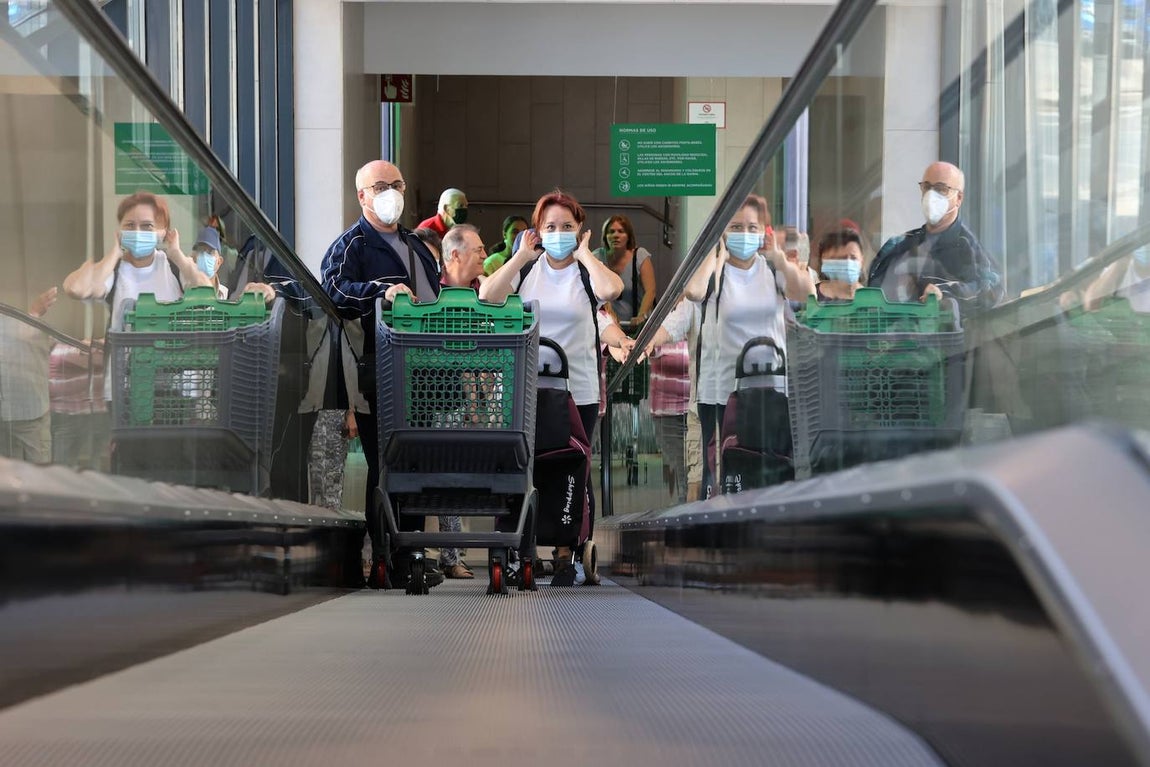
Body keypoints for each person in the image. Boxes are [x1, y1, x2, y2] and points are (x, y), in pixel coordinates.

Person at [480, 190, 632, 584]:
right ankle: (522, 548)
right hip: (526, 391)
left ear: (580, 230)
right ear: (537, 231)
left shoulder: (585, 274)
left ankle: (568, 552)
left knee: (572, 468)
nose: (559, 232)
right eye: (550, 226)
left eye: (567, 226)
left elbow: (612, 291)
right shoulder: (528, 271)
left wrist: (585, 254)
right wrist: (520, 256)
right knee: (524, 469)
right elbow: (488, 295)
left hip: (578, 391)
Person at [320, 159, 442, 589]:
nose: (390, 192)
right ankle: (386, 556)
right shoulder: (351, 246)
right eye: (380, 186)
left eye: (397, 184)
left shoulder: (416, 246)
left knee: (418, 461)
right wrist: (380, 292)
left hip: (427, 374)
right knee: (386, 463)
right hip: (379, 371)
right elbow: (333, 289)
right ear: (361, 196)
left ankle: (412, 551)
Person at [649, 195, 812, 498]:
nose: (744, 234)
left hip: (770, 392)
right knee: (723, 476)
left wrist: (778, 256)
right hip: (720, 394)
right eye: (736, 227)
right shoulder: (714, 274)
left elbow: (806, 293)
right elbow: (692, 293)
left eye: (752, 227)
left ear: (763, 231)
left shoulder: (771, 270)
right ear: (722, 230)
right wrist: (715, 254)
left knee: (771, 471)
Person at [868, 162, 1004, 311]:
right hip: (894, 325)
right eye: (927, 187)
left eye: (941, 189)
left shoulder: (966, 246)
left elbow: (991, 288)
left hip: (943, 326)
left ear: (959, 198)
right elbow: (872, 286)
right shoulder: (899, 244)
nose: (931, 196)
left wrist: (944, 293)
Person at [63, 192, 211, 328]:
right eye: (130, 225)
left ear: (163, 232)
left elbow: (208, 293)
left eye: (147, 226)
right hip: (125, 349)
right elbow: (76, 289)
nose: (137, 232)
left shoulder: (174, 265)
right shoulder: (114, 270)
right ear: (120, 230)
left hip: (171, 348)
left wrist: (177, 255)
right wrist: (114, 254)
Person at [0, 287, 57, 463]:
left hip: (30, 412)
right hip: (12, 416)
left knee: (36, 464)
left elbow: (44, 343)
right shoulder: (12, 323)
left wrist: (34, 315)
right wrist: (34, 313)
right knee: (16, 466)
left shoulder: (11, 321)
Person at [594, 214, 657, 327]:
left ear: (628, 236)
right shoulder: (597, 257)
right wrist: (608, 313)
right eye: (611, 232)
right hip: (607, 324)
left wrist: (641, 316)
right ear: (605, 236)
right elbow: (595, 291)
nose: (615, 235)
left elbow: (650, 291)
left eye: (621, 231)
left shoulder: (639, 256)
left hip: (637, 325)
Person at [1084, 245, 1150, 313]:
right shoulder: (1121, 270)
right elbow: (1091, 304)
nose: (1147, 248)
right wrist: (1117, 266)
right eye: (1144, 245)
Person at [811, 228, 867, 302]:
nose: (848, 263)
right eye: (841, 258)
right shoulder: (812, 295)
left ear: (862, 261)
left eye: (853, 257)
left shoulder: (871, 299)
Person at [191, 226, 230, 298]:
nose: (204, 256)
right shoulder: (185, 292)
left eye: (210, 252)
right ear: (193, 259)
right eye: (201, 250)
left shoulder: (226, 295)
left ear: (219, 262)